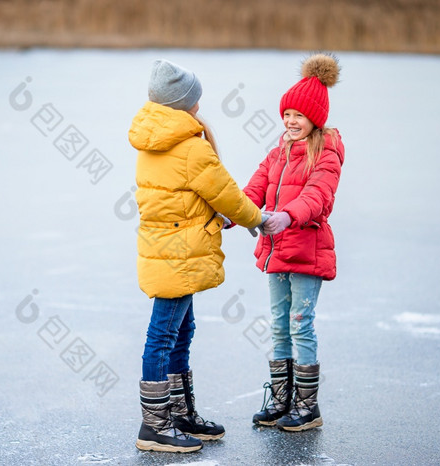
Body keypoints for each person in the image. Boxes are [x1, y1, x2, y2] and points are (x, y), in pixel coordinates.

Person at [129, 59, 265, 452]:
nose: (199, 109)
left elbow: (184, 195)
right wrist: (257, 218)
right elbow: (225, 192)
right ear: (181, 104)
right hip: (179, 253)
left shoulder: (153, 141)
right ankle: (154, 426)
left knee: (180, 331)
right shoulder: (189, 147)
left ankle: (179, 412)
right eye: (195, 102)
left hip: (165, 247)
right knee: (164, 335)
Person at [243, 53, 345, 432]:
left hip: (307, 250)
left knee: (301, 324)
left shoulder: (326, 152)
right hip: (276, 252)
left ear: (314, 119)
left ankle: (307, 406)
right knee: (278, 326)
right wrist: (231, 213)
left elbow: (318, 195)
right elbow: (253, 189)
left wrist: (286, 215)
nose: (290, 121)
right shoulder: (278, 152)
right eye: (286, 114)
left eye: (298, 116)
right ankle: (282, 399)